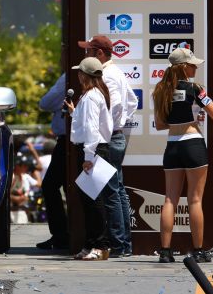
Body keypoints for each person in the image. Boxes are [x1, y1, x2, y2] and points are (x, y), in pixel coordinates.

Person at [152, 48, 213, 263]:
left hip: (172, 146)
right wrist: (195, 116)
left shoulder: (160, 89)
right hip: (193, 144)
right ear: (183, 67)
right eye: (192, 64)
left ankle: (165, 252)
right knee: (195, 199)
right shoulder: (196, 89)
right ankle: (198, 251)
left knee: (170, 199)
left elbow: (161, 124)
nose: (196, 67)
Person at [80, 35, 137, 257]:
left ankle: (120, 245)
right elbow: (132, 101)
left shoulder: (107, 75)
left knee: (111, 193)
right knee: (117, 190)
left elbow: (113, 107)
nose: (86, 55)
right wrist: (118, 123)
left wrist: (110, 126)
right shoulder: (116, 72)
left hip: (109, 138)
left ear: (100, 53)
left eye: (89, 51)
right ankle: (124, 245)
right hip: (115, 136)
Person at [65, 57, 113, 261]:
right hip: (90, 150)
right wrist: (74, 113)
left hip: (92, 151)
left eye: (79, 72)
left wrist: (88, 157)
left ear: (85, 75)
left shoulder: (92, 96)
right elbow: (88, 123)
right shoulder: (91, 95)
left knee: (94, 201)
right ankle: (91, 243)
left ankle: (101, 246)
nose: (77, 75)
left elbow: (93, 130)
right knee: (88, 200)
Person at [36, 72, 69, 250]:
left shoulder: (67, 76)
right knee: (64, 186)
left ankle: (62, 235)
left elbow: (45, 102)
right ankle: (65, 234)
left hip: (68, 142)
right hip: (67, 141)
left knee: (49, 185)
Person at [10, 153, 38, 224]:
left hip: (21, 210)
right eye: (24, 165)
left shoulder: (22, 176)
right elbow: (5, 194)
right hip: (12, 211)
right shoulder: (12, 177)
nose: (26, 168)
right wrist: (15, 198)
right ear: (17, 166)